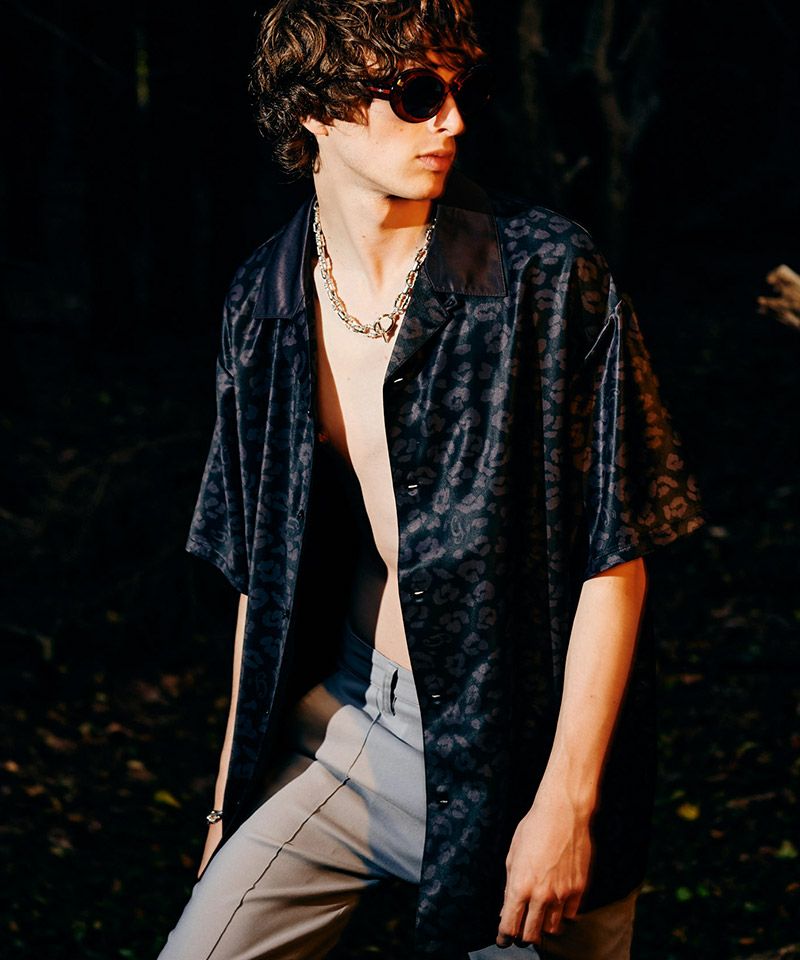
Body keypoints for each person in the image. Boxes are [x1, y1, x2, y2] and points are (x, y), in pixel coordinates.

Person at [157, 1, 707, 958]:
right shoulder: (265, 301)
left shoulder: (545, 273)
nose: (451, 120)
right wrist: (223, 806)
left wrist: (567, 805)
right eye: (417, 94)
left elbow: (615, 554)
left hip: (525, 753)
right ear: (316, 110)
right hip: (348, 727)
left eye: (464, 90)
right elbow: (260, 577)